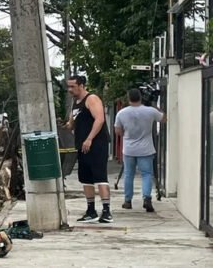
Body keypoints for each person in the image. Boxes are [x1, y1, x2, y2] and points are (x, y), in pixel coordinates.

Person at [67, 75, 113, 224]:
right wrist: (69, 125)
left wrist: (90, 138)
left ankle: (106, 211)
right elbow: (73, 122)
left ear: (81, 85)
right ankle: (90, 210)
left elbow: (99, 119)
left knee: (99, 176)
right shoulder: (75, 102)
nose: (70, 89)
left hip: (96, 144)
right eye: (68, 86)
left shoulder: (92, 99)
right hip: (81, 144)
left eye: (73, 86)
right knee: (85, 178)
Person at [114, 88, 166, 212]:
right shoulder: (150, 111)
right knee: (147, 174)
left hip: (129, 149)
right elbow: (163, 119)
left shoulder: (121, 113)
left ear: (128, 98)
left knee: (128, 174)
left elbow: (118, 131)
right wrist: (156, 107)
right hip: (146, 149)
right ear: (141, 97)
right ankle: (147, 198)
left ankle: (127, 200)